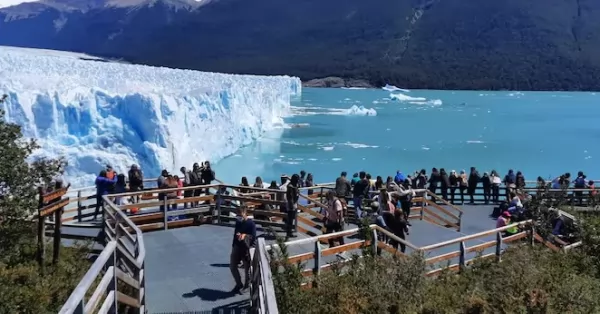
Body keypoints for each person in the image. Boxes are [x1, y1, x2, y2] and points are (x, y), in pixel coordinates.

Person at [230, 207, 256, 293]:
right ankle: (238, 283)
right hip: (237, 246)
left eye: (240, 215)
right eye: (237, 215)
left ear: (245, 213)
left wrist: (244, 236)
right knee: (232, 266)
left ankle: (247, 285)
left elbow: (253, 238)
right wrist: (234, 245)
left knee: (247, 268)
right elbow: (235, 233)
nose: (238, 217)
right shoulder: (238, 222)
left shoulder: (251, 224)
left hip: (246, 248)